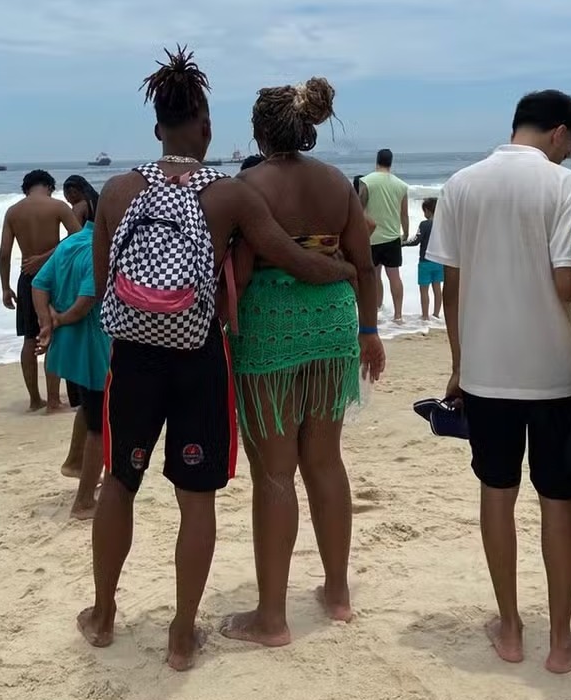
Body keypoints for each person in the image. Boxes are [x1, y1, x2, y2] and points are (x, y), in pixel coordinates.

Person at [82, 46, 356, 672]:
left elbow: (103, 285)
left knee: (118, 483)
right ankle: (182, 636)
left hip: (134, 360)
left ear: (157, 128)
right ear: (206, 128)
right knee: (196, 497)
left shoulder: (118, 191)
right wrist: (343, 271)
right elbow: (290, 258)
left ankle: (102, 615)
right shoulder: (229, 195)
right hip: (199, 358)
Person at [426, 90, 571, 674]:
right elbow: (567, 281)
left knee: (496, 493)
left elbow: (452, 289)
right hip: (557, 371)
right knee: (558, 501)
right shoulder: (565, 185)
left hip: (486, 371)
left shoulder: (461, 184)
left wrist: (458, 363)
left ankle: (511, 626)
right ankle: (561, 639)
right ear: (559, 133)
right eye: (570, 144)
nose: (568, 154)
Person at [218, 78, 384, 648]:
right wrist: (369, 330)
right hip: (333, 322)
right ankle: (337, 594)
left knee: (274, 470)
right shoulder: (337, 182)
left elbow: (240, 271)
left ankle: (272, 618)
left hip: (269, 324)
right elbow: (364, 264)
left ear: (260, 132)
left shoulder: (248, 185)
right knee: (325, 460)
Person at [32, 212, 110, 520]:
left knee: (90, 408)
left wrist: (46, 321)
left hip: (68, 347)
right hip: (92, 347)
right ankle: (84, 502)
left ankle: (75, 463)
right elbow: (86, 300)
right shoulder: (98, 250)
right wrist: (60, 319)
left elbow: (39, 284)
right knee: (101, 424)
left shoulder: (70, 243)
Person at [0, 169, 82, 412]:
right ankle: (53, 401)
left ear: (26, 189)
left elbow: (4, 254)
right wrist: (46, 257)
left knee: (30, 338)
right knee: (53, 335)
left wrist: (5, 287)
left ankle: (35, 400)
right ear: (49, 186)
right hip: (53, 277)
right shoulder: (58, 206)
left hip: (26, 278)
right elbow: (78, 238)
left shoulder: (13, 211)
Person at [359, 150, 409, 323]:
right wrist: (405, 233)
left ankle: (376, 310)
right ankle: (398, 316)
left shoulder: (366, 181)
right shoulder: (401, 185)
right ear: (391, 163)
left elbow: (359, 209)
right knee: (394, 276)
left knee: (374, 276)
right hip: (392, 237)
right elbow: (404, 214)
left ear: (377, 161)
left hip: (371, 237)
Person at [404, 197, 443, 322]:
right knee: (437, 288)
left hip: (425, 262)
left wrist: (403, 243)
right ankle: (436, 315)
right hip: (439, 261)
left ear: (427, 210)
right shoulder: (443, 224)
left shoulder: (424, 224)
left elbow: (416, 241)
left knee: (424, 290)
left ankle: (425, 316)